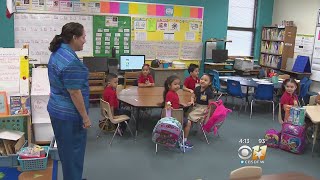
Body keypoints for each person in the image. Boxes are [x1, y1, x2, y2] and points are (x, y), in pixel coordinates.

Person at [47, 22, 90, 180]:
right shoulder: (71, 61)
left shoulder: (58, 52)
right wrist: (85, 117)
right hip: (69, 115)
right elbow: (74, 92)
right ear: (74, 37)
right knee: (73, 153)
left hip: (57, 110)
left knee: (66, 152)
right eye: (83, 37)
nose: (85, 40)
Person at [163, 75, 193, 150]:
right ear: (169, 85)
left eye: (178, 84)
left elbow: (173, 102)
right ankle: (184, 140)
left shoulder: (173, 93)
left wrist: (180, 104)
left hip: (175, 115)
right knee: (189, 123)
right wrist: (169, 107)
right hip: (174, 117)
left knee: (186, 113)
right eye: (175, 84)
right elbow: (167, 106)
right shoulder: (170, 94)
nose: (177, 86)